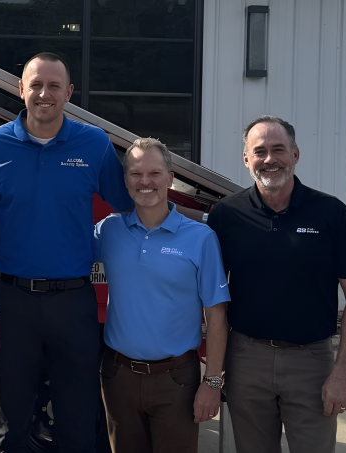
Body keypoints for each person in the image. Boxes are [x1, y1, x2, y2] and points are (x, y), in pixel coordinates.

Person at [0, 52, 134, 453]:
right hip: (11, 303)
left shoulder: (93, 144)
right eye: (36, 85)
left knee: (77, 426)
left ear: (69, 92)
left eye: (54, 86)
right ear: (20, 89)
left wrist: (182, 230)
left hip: (73, 303)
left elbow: (132, 207)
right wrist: (3, 257)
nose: (45, 94)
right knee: (9, 427)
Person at [205, 116, 346, 453]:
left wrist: (342, 374)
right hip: (246, 358)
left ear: (295, 154)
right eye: (259, 151)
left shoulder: (331, 213)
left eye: (278, 149)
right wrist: (214, 372)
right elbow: (213, 299)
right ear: (246, 159)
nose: (269, 159)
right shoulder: (226, 215)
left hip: (310, 361)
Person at [94, 138, 229, 453]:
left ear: (170, 178)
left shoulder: (201, 238)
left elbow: (217, 316)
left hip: (176, 380)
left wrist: (212, 383)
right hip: (118, 377)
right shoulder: (108, 230)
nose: (145, 181)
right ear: (125, 180)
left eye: (154, 173)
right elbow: (64, 252)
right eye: (135, 173)